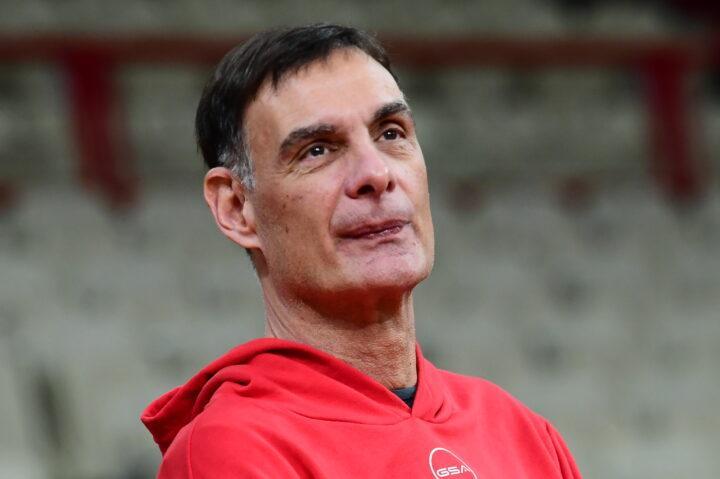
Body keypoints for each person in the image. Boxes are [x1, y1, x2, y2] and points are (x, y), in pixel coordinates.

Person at [141, 24, 582, 478]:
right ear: (237, 208)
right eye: (317, 150)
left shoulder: (524, 434)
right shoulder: (231, 450)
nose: (376, 174)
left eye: (391, 133)